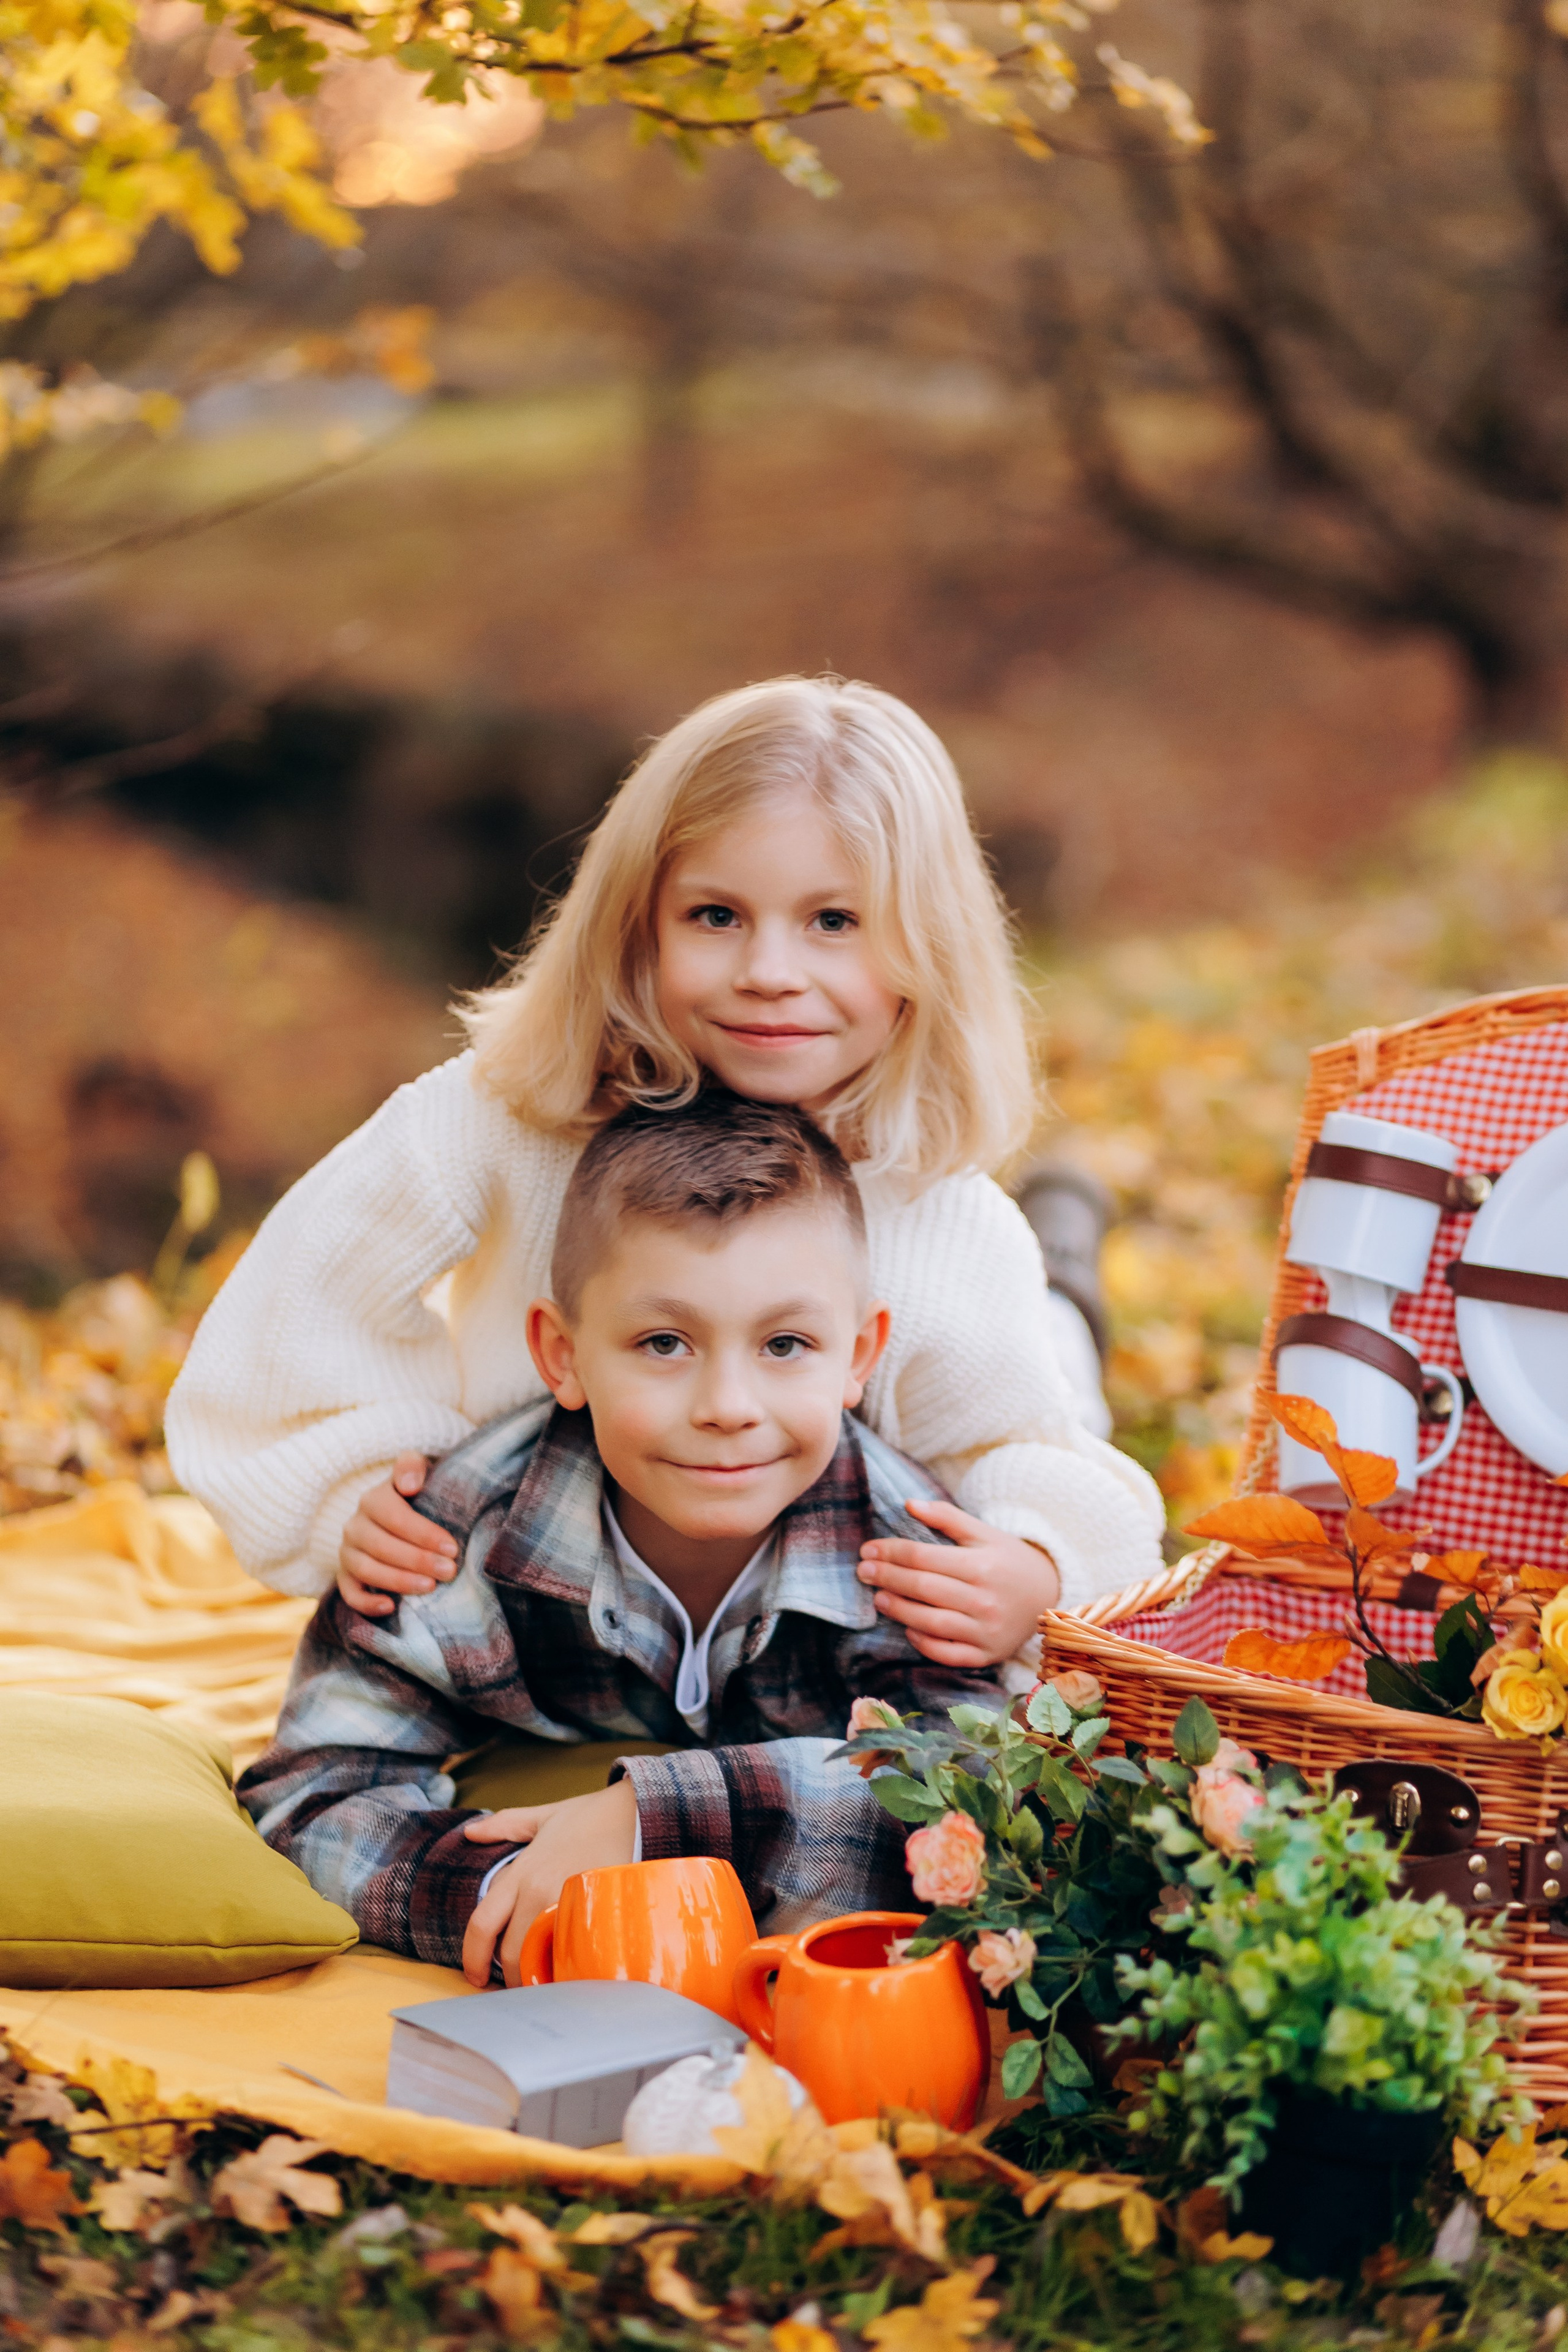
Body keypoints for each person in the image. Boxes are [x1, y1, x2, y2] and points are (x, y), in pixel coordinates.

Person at [168, 676, 1164, 1678]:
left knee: (1059, 1346)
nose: (770, 970)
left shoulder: (948, 1219)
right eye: (717, 915)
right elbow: (293, 1308)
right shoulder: (496, 1117)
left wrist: (1038, 1568)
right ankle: (1067, 1234)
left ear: (927, 949)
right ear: (636, 924)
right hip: (558, 1605)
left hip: (806, 1623)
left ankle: (1067, 1248)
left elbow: (1017, 1442)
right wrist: (360, 1486)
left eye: (834, 922)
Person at [239, 1094, 1008, 1984]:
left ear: (860, 1357)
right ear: (561, 1355)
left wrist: (657, 1820)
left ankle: (1069, 1260)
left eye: (787, 1343)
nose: (727, 1407)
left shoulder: (904, 1554)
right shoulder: (456, 1533)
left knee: (1063, 1337)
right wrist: (517, 1898)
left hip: (1017, 1385)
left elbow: (970, 1798)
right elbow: (312, 1791)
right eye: (665, 1342)